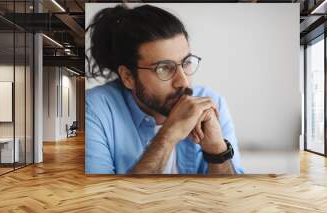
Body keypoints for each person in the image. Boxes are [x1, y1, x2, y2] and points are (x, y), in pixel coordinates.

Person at [85, 4, 244, 174]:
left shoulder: (210, 102)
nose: (183, 82)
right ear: (128, 77)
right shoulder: (93, 109)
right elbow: (101, 198)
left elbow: (230, 196)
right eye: (163, 68)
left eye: (187, 62)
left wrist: (216, 150)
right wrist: (168, 135)